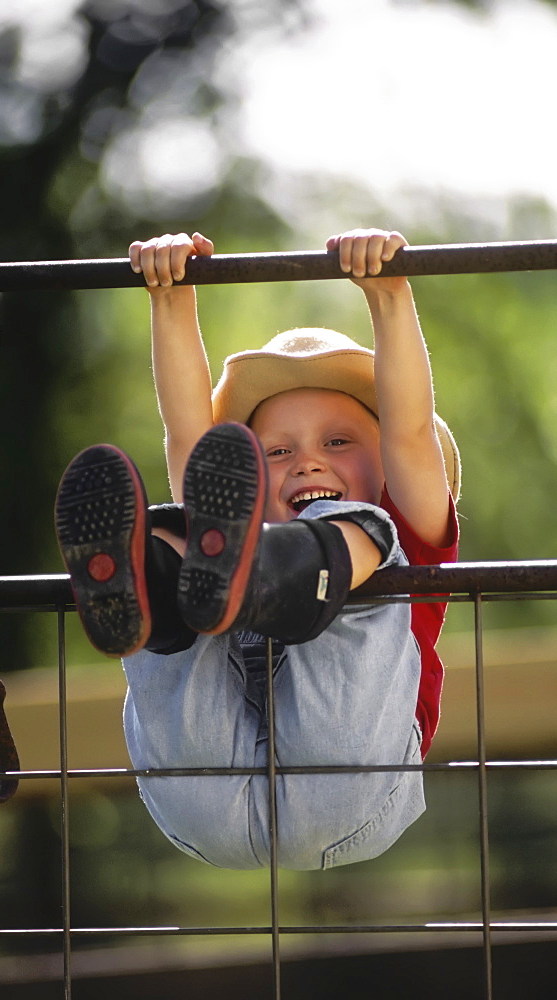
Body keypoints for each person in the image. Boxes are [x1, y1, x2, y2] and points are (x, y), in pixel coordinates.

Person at [55, 228, 460, 871]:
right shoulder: (223, 523)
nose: (305, 462)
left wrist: (389, 295)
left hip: (351, 787)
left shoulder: (402, 520)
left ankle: (283, 574)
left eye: (337, 443)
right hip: (201, 785)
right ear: (244, 480)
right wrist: (170, 299)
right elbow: (188, 436)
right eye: (276, 452)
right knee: (178, 535)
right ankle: (155, 588)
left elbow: (411, 432)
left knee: (364, 535)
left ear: (385, 465)